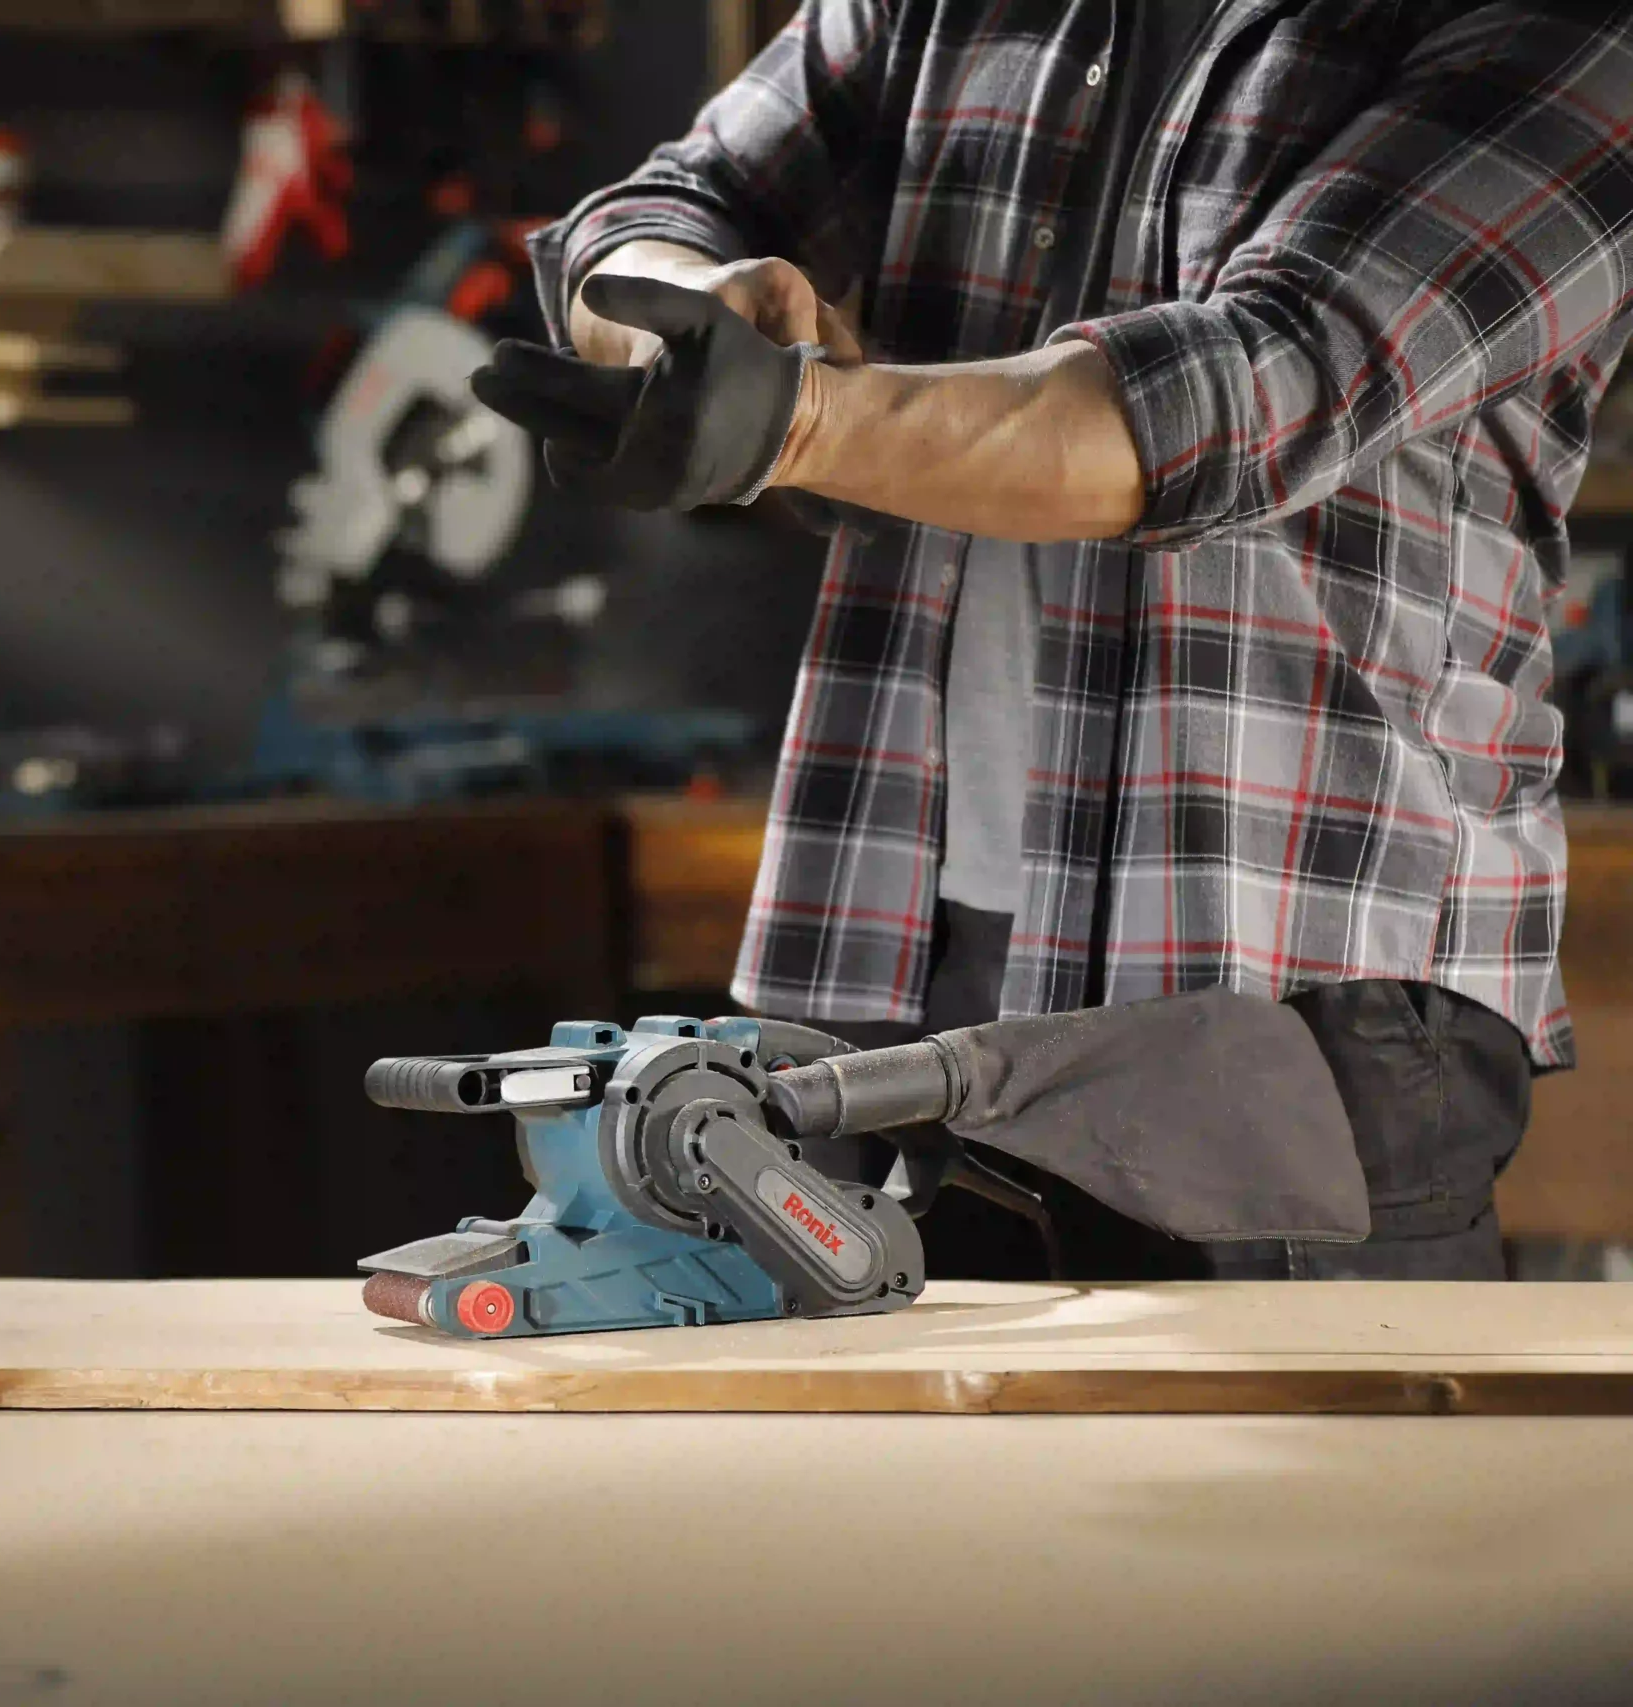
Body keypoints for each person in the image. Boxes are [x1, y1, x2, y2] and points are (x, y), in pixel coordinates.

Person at [472, 1, 1633, 1280]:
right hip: (888, 956)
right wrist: (686, 317)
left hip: (1292, 1001)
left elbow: (1251, 385)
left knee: (1308, 1479)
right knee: (891, 1482)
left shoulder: (1557, 27)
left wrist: (789, 421)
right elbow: (666, 207)